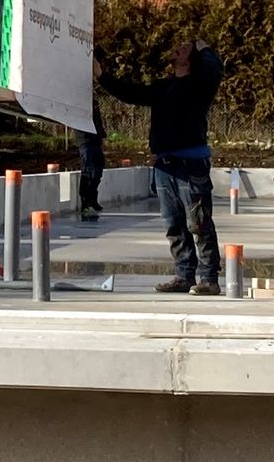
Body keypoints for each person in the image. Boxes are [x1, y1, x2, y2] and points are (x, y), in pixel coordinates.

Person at [97, 38, 223, 295]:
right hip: (165, 165)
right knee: (174, 224)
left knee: (198, 222)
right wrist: (102, 77)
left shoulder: (200, 85)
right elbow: (131, 92)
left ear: (192, 60)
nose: (177, 48)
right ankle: (183, 274)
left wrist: (204, 48)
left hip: (190, 164)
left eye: (184, 48)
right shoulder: (163, 87)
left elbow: (214, 68)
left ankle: (209, 278)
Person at [74, 92, 105, 223]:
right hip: (85, 141)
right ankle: (85, 202)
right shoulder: (78, 105)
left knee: (98, 170)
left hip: (95, 140)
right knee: (88, 171)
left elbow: (98, 121)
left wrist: (101, 135)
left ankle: (93, 198)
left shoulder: (94, 104)